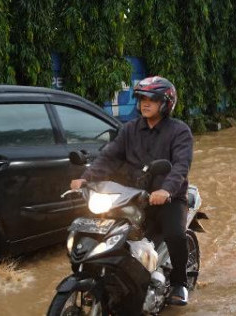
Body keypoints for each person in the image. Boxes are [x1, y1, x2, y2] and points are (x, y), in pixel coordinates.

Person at [70, 76, 193, 306]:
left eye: (152, 99)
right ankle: (99, 281)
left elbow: (180, 166)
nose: (145, 103)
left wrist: (166, 190)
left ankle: (179, 282)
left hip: (168, 199)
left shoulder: (180, 131)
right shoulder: (129, 130)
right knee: (103, 231)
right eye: (142, 99)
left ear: (166, 103)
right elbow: (109, 156)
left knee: (175, 234)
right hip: (132, 197)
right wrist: (85, 179)